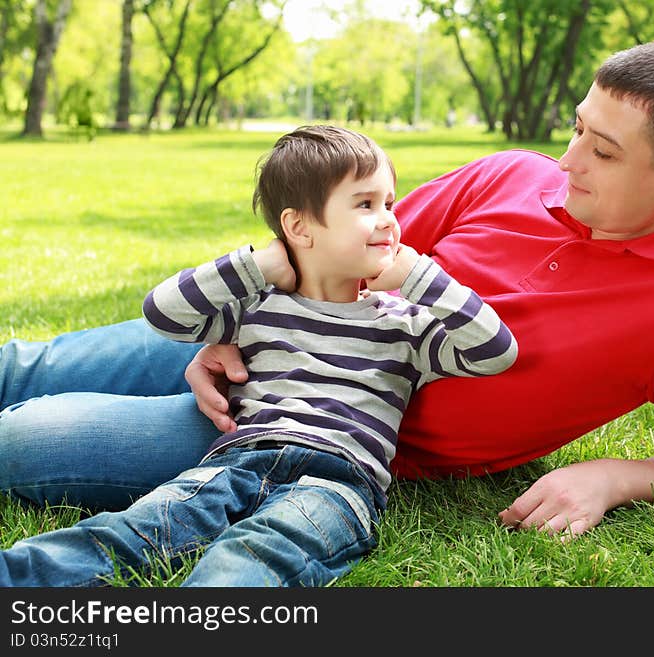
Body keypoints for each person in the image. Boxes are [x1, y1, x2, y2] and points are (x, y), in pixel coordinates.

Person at [0, 41, 654, 542]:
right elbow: (348, 243)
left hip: (314, 433)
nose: (568, 160)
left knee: (25, 438)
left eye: (601, 149)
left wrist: (609, 476)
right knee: (27, 369)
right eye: (576, 128)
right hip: (266, 331)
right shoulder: (510, 175)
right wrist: (222, 327)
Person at [0, 125, 517, 587]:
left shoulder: (403, 323)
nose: (388, 221)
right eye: (365, 205)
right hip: (239, 459)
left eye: (389, 203)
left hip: (337, 484)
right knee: (135, 528)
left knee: (251, 560)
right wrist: (258, 265)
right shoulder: (257, 309)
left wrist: (421, 278)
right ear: (299, 228)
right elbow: (162, 312)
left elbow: (496, 350)